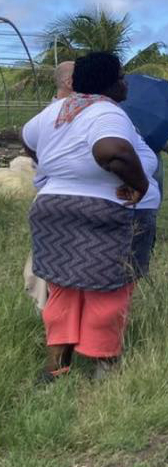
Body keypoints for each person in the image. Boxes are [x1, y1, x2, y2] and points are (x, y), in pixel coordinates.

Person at [21, 52, 160, 382]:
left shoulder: (57, 110)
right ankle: (104, 365)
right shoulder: (106, 111)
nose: (125, 83)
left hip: (54, 210)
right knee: (108, 289)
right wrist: (138, 185)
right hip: (102, 214)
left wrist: (58, 168)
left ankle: (57, 365)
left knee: (62, 287)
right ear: (109, 83)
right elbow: (113, 150)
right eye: (121, 76)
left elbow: (28, 141)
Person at [24, 60, 75, 312]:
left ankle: (49, 313)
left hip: (48, 195)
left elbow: (28, 142)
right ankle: (53, 317)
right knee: (57, 261)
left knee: (47, 257)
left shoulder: (50, 113)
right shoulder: (63, 114)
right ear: (69, 82)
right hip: (57, 195)